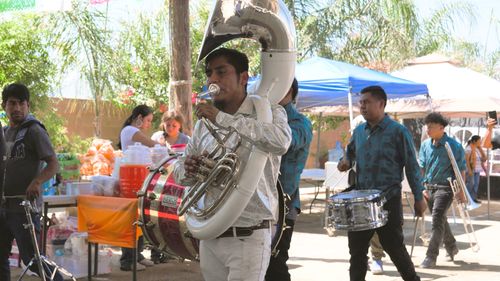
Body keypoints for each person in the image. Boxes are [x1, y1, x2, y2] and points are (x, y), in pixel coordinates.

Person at [173, 47, 291, 281]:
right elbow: (179, 172)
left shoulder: (268, 111)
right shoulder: (202, 125)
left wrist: (222, 118)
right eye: (209, 74)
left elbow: (281, 141)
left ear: (243, 77)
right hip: (211, 233)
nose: (212, 80)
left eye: (221, 72)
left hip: (248, 235)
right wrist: (189, 168)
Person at [337, 85, 426, 281]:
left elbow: (411, 166)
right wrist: (344, 162)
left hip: (388, 200)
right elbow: (349, 154)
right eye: (361, 103)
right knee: (357, 252)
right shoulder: (359, 131)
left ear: (381, 104)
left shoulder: (398, 132)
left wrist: (419, 197)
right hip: (361, 202)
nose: (362, 107)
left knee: (394, 247)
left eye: (367, 102)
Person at [0, 83, 62, 281]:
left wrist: (37, 182)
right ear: (4, 106)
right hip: (3, 207)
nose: (17, 108)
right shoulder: (3, 134)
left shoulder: (34, 130)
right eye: (12, 103)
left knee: (32, 259)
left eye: (21, 103)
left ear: (28, 106)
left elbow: (53, 164)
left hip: (24, 208)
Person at [265, 78, 313, 281]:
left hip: (284, 203)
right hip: (262, 202)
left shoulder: (300, 123)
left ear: (289, 91)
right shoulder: (264, 118)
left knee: (275, 264)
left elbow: (281, 143)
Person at [418, 112, 465, 268]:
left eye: (431, 127)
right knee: (441, 219)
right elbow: (422, 168)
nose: (428, 130)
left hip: (446, 188)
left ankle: (431, 256)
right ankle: (451, 246)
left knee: (437, 219)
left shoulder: (454, 145)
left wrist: (461, 191)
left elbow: (461, 169)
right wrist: (421, 188)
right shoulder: (425, 145)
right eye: (427, 127)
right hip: (429, 188)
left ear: (441, 127)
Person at [118, 104, 157, 271]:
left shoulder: (132, 131)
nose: (148, 124)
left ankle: (138, 255)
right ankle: (128, 259)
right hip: (130, 180)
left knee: (139, 217)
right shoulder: (129, 131)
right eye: (148, 120)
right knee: (131, 220)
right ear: (139, 117)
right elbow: (151, 144)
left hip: (138, 179)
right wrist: (165, 148)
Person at [465, 135, 487, 203]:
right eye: (479, 141)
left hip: (477, 169)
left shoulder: (477, 149)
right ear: (474, 141)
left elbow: (483, 159)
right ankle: (466, 198)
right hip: (471, 169)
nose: (480, 142)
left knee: (476, 184)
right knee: (471, 183)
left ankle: (473, 198)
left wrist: (481, 149)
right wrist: (469, 170)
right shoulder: (468, 149)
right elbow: (466, 161)